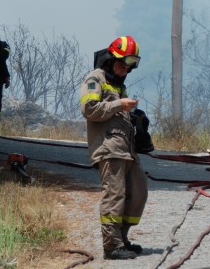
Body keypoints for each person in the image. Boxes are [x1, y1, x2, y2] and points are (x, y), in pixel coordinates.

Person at [79, 35, 148, 260]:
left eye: (128, 68)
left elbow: (120, 113)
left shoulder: (120, 84)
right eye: (120, 66)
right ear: (110, 59)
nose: (123, 71)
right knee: (114, 195)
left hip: (127, 148)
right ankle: (112, 245)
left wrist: (137, 118)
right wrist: (119, 104)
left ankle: (122, 238)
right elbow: (89, 109)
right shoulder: (94, 78)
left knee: (138, 193)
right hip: (109, 147)